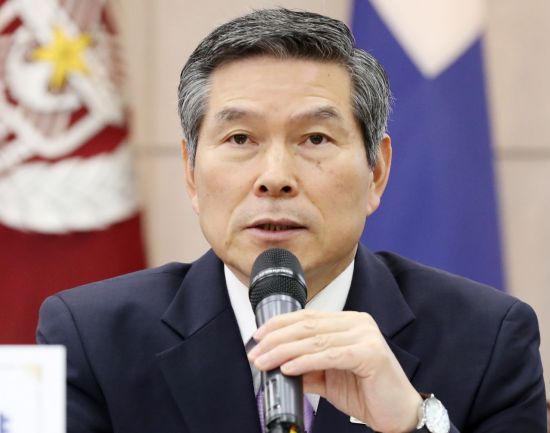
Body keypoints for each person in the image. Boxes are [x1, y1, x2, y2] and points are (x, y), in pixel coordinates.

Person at [37, 8, 546, 433]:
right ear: (191, 172)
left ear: (376, 172)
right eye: (240, 139)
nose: (275, 178)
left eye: (315, 139)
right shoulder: (93, 339)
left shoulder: (488, 339)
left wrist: (414, 424)